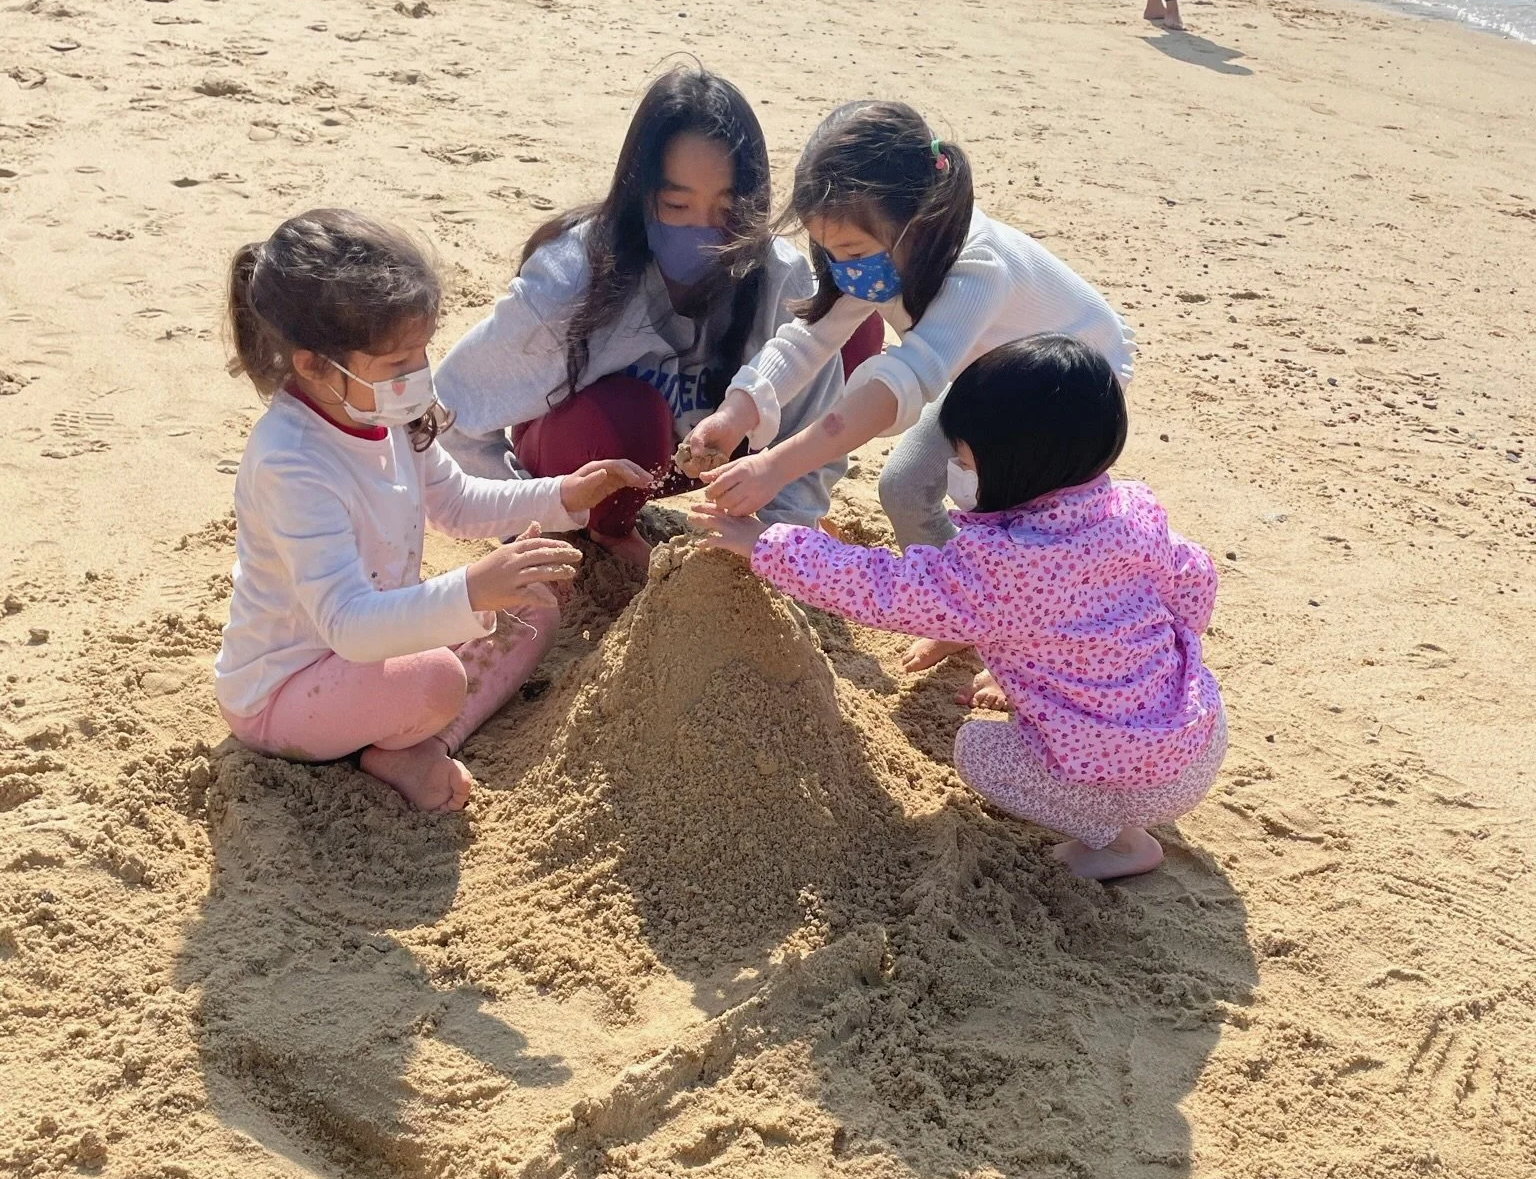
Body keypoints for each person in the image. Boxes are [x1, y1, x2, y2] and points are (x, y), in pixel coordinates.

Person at [695, 337, 1226, 882]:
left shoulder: (1000, 566)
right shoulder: (1132, 511)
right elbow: (1194, 583)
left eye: (965, 460)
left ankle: (1122, 844)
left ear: (1014, 467)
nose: (953, 468)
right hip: (1200, 737)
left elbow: (882, 587)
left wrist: (767, 543)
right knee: (1110, 689)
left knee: (977, 750)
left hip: (1135, 782)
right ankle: (1115, 781)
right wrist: (1095, 678)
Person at [213, 209, 649, 814]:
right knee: (439, 677)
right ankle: (421, 741)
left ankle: (418, 743)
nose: (418, 374)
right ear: (313, 365)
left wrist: (560, 495)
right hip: (284, 692)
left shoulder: (384, 413)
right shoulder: (292, 462)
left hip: (367, 660)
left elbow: (458, 500)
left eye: (421, 353)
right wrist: (470, 588)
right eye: (397, 364)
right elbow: (347, 623)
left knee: (532, 603)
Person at [691, 100, 1132, 691]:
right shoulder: (880, 255)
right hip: (982, 377)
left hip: (1068, 393)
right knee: (905, 485)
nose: (843, 269)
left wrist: (775, 466)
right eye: (829, 253)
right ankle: (965, 611)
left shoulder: (978, 265)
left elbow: (902, 381)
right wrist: (734, 412)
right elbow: (809, 339)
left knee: (1031, 525)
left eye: (850, 252)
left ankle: (1034, 642)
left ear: (919, 220)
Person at [433, 66, 853, 567]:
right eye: (676, 205)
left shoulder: (778, 278)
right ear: (639, 197)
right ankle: (604, 534)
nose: (704, 230)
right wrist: (525, 519)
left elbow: (813, 436)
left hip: (705, 460)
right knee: (631, 412)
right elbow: (450, 413)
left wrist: (777, 548)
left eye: (727, 208)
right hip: (584, 451)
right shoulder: (572, 279)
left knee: (851, 323)